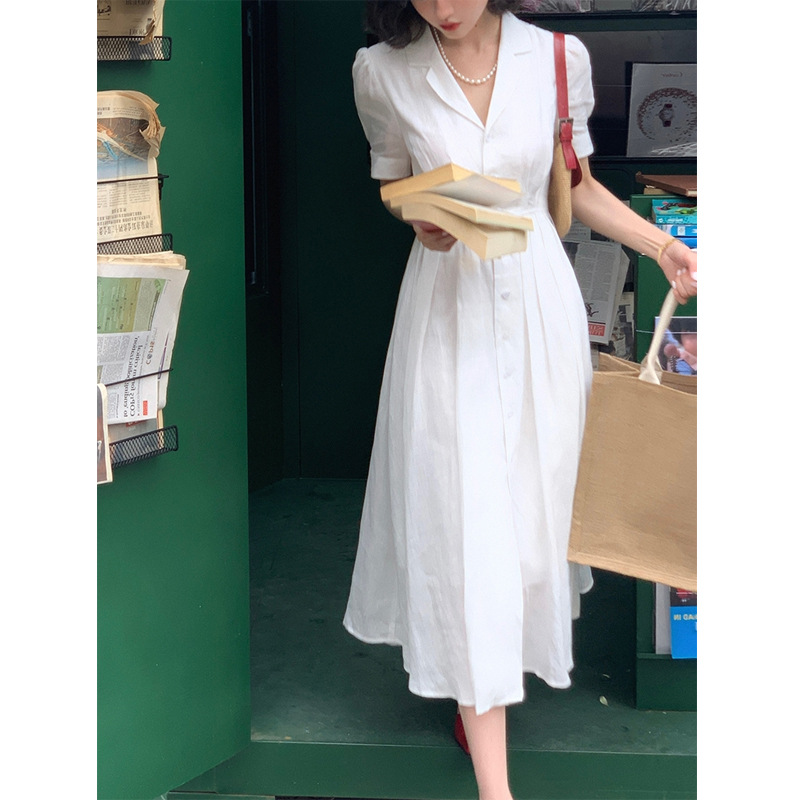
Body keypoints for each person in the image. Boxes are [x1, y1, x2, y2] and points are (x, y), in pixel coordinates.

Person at [342, 2, 698, 798]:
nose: (443, 8)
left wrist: (663, 246)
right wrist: (420, 216)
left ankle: (483, 683)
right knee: (462, 524)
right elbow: (393, 183)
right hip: (446, 312)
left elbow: (576, 189)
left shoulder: (558, 59)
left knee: (532, 524)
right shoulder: (382, 71)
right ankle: (494, 783)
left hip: (539, 309)